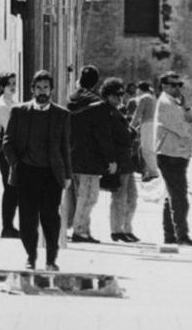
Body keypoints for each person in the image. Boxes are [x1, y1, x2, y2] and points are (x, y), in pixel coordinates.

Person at [2, 70, 72, 271]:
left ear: (51, 90)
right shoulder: (19, 112)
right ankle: (31, 256)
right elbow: (8, 142)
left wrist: (67, 174)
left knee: (50, 217)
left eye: (46, 88)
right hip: (27, 172)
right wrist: (16, 164)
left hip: (51, 174)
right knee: (27, 217)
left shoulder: (62, 115)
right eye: (39, 88)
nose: (43, 92)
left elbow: (65, 147)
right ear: (32, 89)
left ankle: (51, 259)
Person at [66, 66, 117, 244]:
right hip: (91, 157)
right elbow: (103, 134)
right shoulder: (98, 104)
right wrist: (110, 158)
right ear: (96, 81)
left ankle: (83, 229)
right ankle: (80, 231)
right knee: (89, 196)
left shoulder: (71, 98)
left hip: (72, 154)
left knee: (80, 195)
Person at [154, 71, 192, 246]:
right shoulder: (165, 103)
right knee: (180, 197)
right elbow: (183, 128)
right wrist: (191, 127)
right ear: (164, 86)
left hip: (180, 154)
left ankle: (170, 234)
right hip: (169, 154)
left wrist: (187, 108)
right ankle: (182, 235)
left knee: (172, 195)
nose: (177, 88)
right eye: (173, 85)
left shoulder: (178, 102)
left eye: (179, 85)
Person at [101, 78, 139, 242]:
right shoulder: (107, 113)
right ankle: (117, 230)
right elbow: (109, 138)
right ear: (107, 96)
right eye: (116, 95)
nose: (120, 98)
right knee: (119, 197)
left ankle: (126, 227)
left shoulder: (117, 111)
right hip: (118, 159)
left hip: (126, 159)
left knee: (132, 197)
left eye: (121, 94)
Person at [0, 72, 21, 238]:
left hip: (13, 145)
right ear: (2, 86)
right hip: (5, 146)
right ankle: (7, 226)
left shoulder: (13, 102)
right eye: (9, 83)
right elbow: (10, 128)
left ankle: (11, 225)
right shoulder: (2, 105)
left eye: (14, 83)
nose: (13, 86)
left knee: (14, 188)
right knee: (10, 187)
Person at [129, 81, 158, 179]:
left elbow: (138, 114)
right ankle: (150, 170)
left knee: (146, 149)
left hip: (148, 124)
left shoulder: (144, 98)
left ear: (139, 89)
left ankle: (153, 171)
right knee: (147, 148)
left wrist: (130, 126)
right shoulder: (152, 97)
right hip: (153, 124)